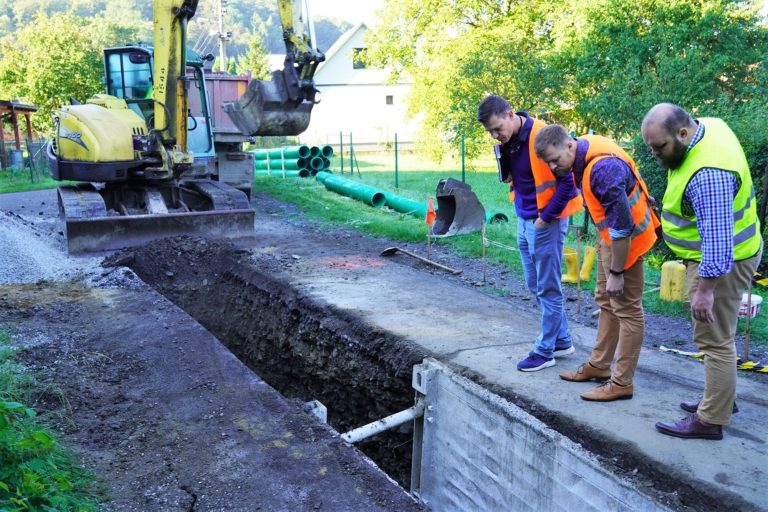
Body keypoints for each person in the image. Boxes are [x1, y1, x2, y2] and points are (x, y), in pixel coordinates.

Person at [642, 103, 762, 440]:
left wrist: (705, 291)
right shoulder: (709, 127)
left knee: (714, 340)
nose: (654, 154)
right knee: (719, 335)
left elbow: (720, 243)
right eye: (650, 146)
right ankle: (720, 398)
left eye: (659, 146)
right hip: (737, 250)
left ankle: (711, 420)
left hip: (724, 262)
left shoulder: (708, 174)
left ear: (682, 133)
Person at [534, 124, 660, 401]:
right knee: (605, 299)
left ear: (569, 145)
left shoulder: (602, 170)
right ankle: (600, 366)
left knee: (627, 309)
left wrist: (617, 271)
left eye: (556, 160)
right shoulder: (583, 147)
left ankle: (622, 382)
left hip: (628, 241)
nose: (554, 167)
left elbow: (622, 227)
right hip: (611, 237)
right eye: (549, 163)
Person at [477, 95, 583, 372]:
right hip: (525, 219)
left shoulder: (541, 136)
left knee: (548, 287)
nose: (495, 135)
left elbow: (569, 184)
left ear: (510, 114)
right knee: (534, 284)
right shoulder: (509, 142)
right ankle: (562, 340)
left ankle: (545, 349)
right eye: (490, 132)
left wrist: (545, 218)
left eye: (497, 128)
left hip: (546, 221)